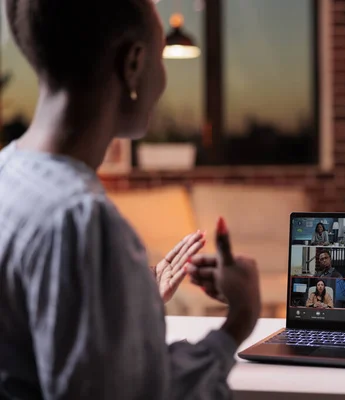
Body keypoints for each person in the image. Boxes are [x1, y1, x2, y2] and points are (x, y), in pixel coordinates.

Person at [0, 1, 260, 398]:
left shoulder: (8, 175)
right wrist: (239, 319)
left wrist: (126, 306)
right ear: (134, 64)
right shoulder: (80, 220)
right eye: (160, 56)